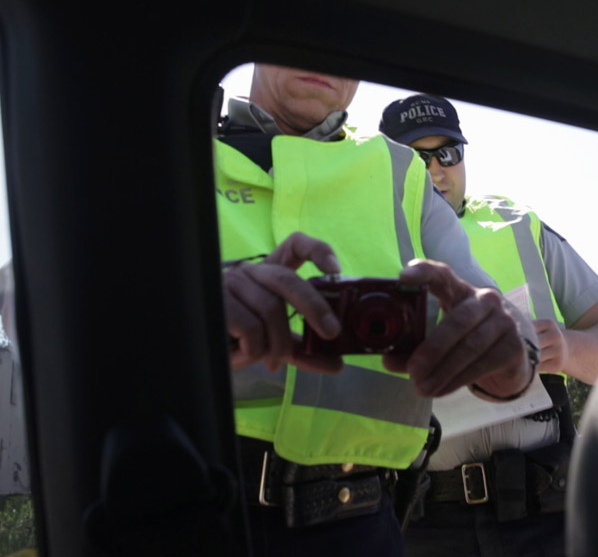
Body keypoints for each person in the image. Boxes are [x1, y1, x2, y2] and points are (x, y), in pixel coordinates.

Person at [216, 66, 544, 556]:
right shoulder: (173, 136)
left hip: (363, 522)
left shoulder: (403, 172)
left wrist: (510, 358)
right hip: (197, 499)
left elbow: (492, 310)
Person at [379, 93, 598, 557]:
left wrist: (567, 349)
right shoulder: (364, 238)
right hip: (425, 522)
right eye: (415, 157)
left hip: (547, 512)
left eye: (447, 153)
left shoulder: (521, 225)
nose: (435, 170)